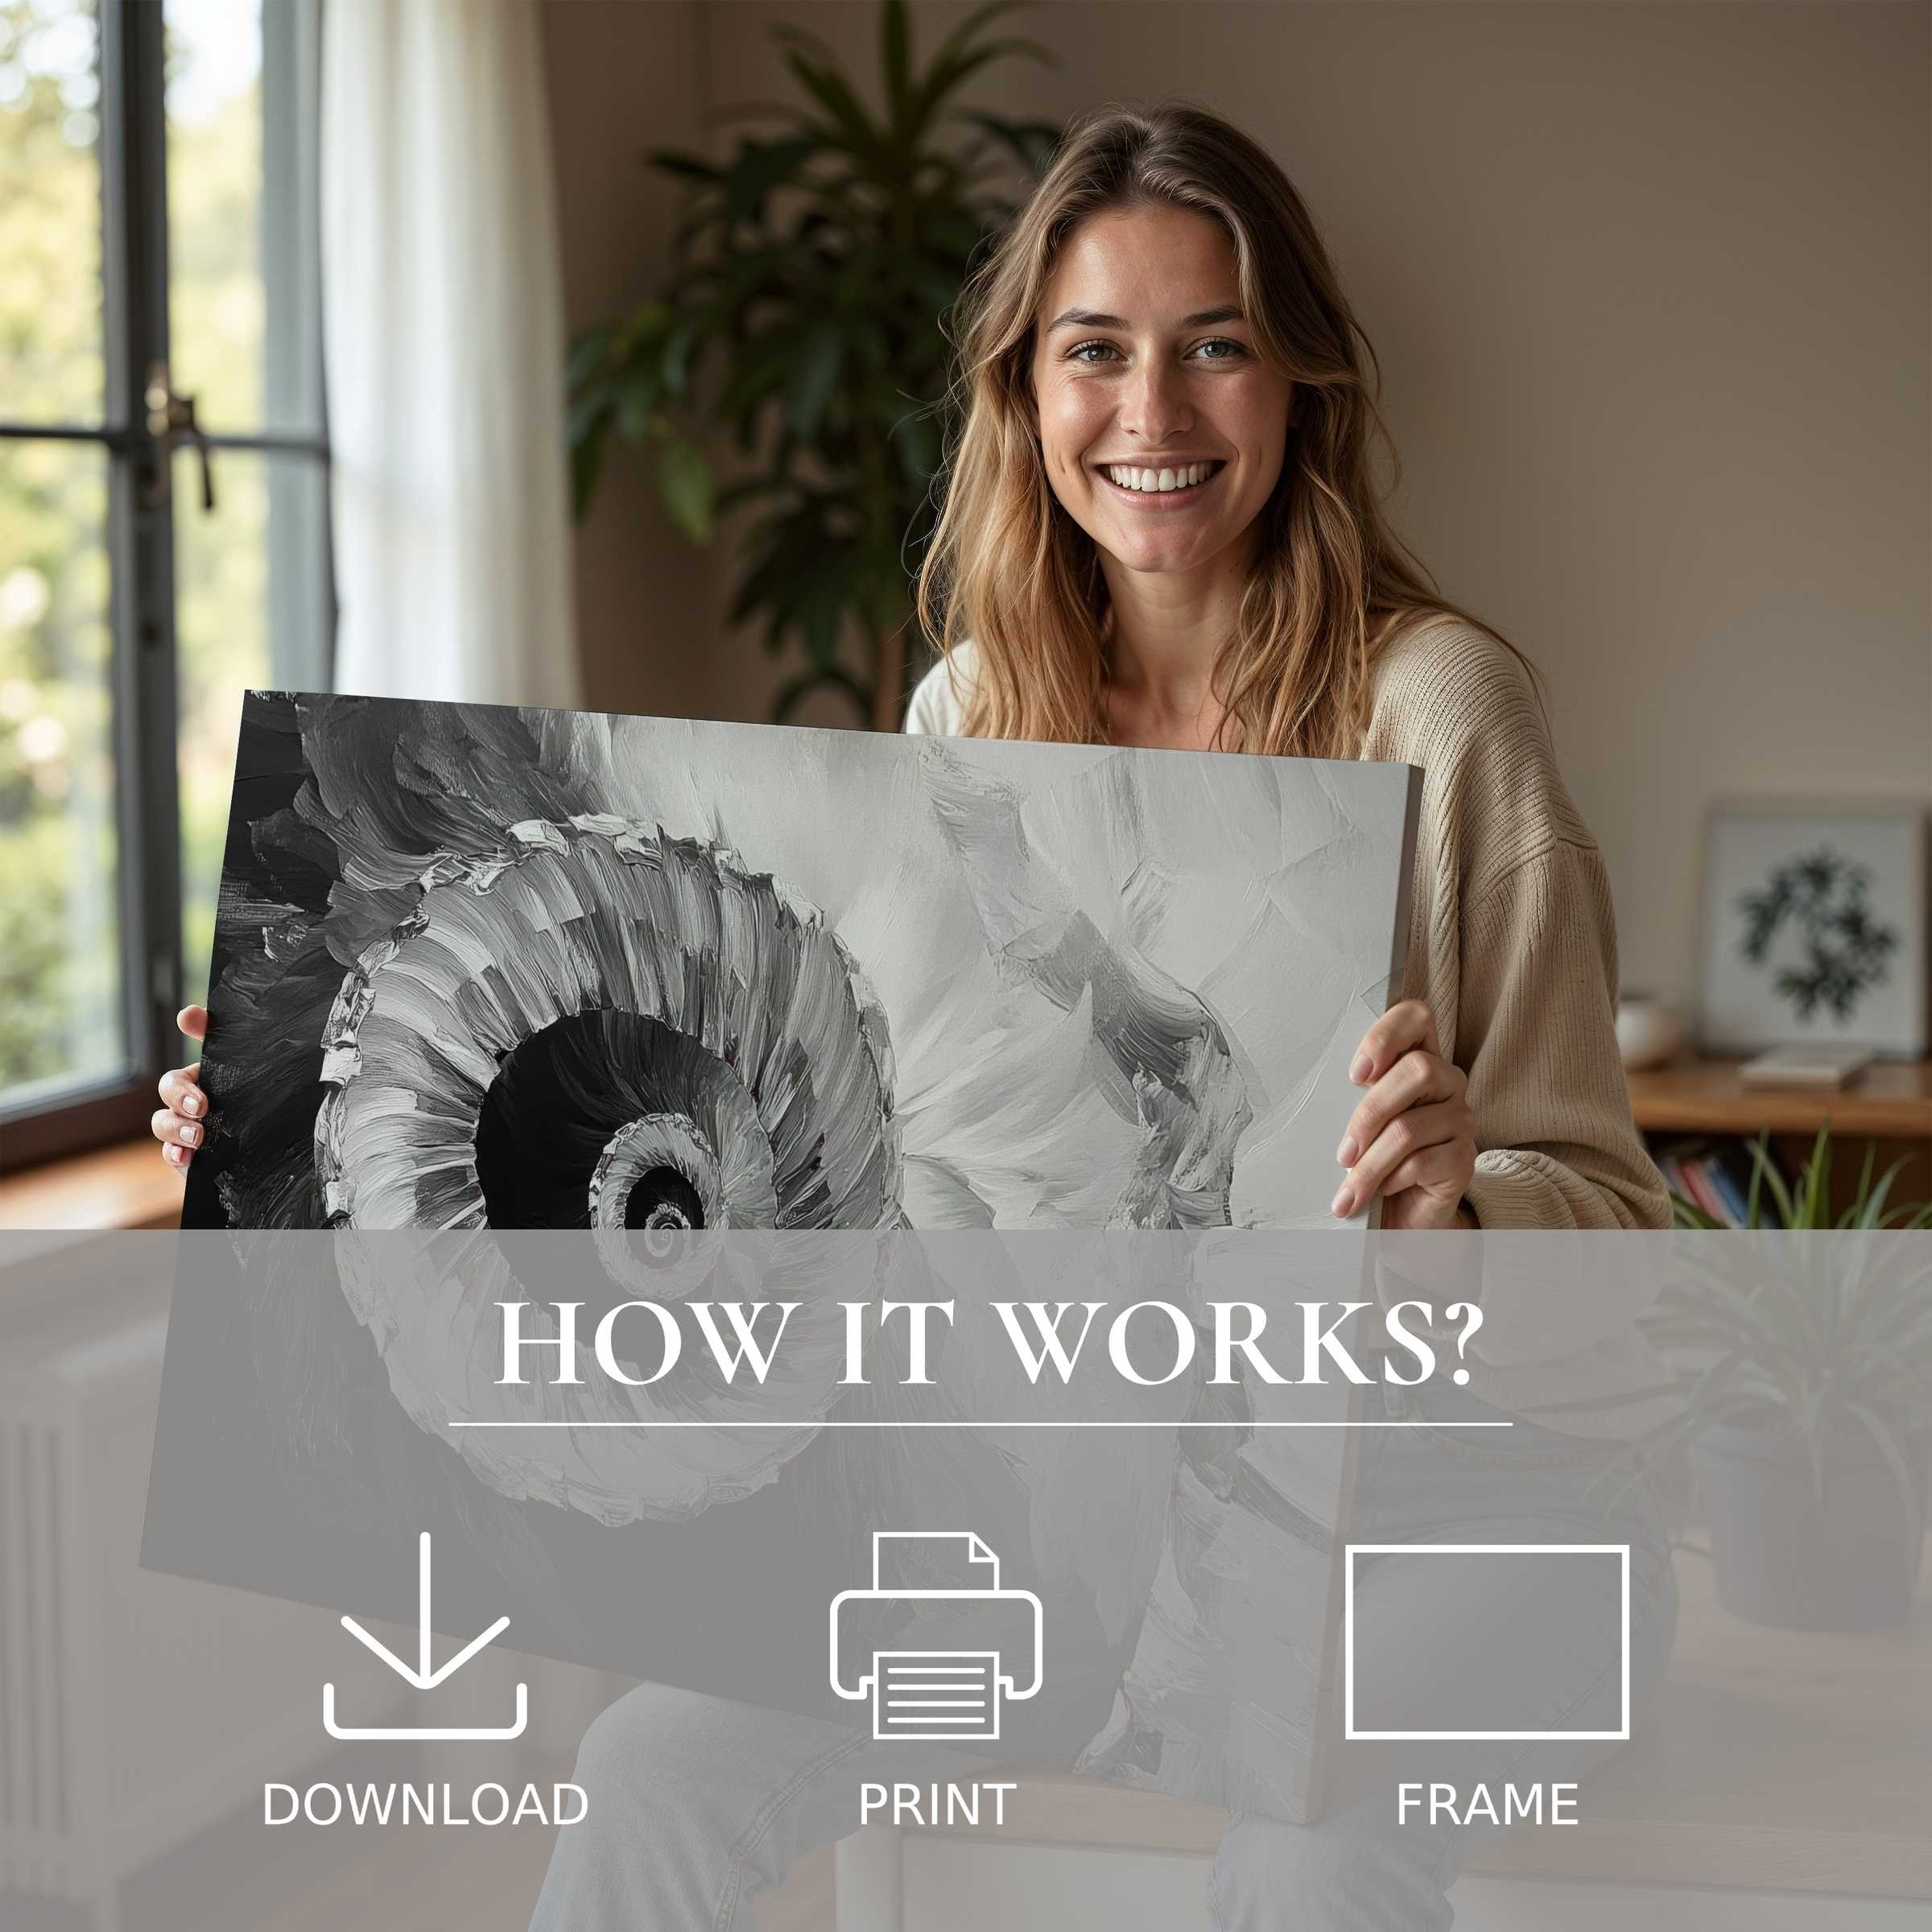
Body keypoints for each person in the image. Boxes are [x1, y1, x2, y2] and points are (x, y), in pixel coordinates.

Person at [154, 99, 1678, 1930]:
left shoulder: (1443, 713)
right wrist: (289, 1146)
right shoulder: (971, 718)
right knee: (649, 1764)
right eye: (1094, 353)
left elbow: (1626, 1264)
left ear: (1301, 389)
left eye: (1218, 351)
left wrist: (1465, 1227)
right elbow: (902, 1220)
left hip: (1465, 1526)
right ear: (1024, 396)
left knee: (1307, 1859)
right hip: (1101, 1530)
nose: (1155, 415)